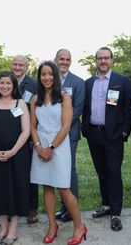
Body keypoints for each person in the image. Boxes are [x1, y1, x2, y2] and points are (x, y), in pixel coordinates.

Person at [30, 61, 87, 245]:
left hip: (59, 146)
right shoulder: (34, 99)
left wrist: (51, 148)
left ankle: (79, 226)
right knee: (47, 187)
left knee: (63, 187)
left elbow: (66, 126)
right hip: (40, 145)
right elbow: (32, 126)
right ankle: (52, 225)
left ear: (55, 76)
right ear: (39, 77)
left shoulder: (65, 97)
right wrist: (39, 147)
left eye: (50, 74)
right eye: (43, 74)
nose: (47, 77)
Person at [81, 47, 131, 231]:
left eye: (106, 58)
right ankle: (106, 205)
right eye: (99, 58)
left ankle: (116, 213)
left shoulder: (122, 81)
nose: (103, 61)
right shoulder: (87, 83)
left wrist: (125, 132)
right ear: (95, 61)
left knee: (113, 172)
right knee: (101, 171)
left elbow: (130, 108)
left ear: (111, 60)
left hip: (114, 135)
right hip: (94, 134)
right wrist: (86, 129)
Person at [0, 71, 31, 245]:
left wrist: (12, 151)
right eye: (1, 83)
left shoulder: (21, 103)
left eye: (8, 83)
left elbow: (26, 131)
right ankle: (3, 229)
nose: (5, 86)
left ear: (13, 85)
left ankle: (13, 230)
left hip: (17, 155)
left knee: (16, 189)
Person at [53, 49, 85, 223]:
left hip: (69, 134)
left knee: (69, 170)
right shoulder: (48, 79)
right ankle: (64, 207)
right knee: (56, 170)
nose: (64, 62)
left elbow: (78, 109)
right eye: (61, 59)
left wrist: (60, 127)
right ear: (55, 60)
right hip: (49, 135)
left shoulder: (78, 82)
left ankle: (72, 210)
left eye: (68, 60)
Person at [10, 55, 39, 224]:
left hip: (28, 134)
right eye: (15, 64)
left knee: (30, 173)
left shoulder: (34, 84)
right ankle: (13, 205)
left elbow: (38, 109)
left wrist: (33, 136)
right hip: (8, 132)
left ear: (27, 66)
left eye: (21, 64)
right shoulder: (6, 80)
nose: (17, 67)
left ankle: (32, 208)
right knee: (12, 171)